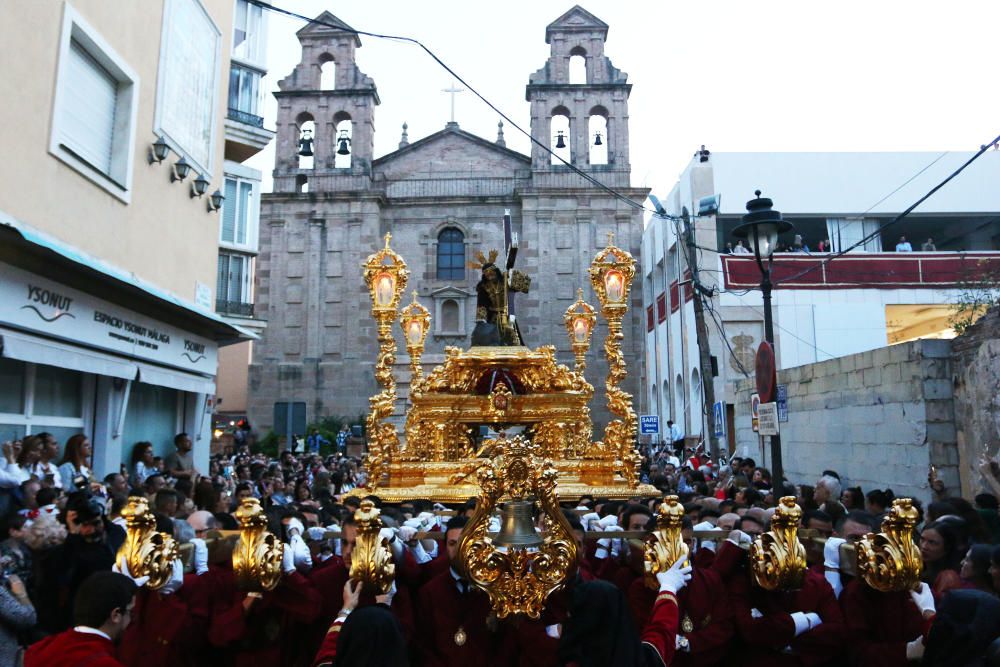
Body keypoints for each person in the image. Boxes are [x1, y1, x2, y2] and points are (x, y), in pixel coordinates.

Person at [25, 570, 137, 667]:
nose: (131, 620)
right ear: (116, 615)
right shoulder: (102, 663)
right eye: (130, 613)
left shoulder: (40, 648)